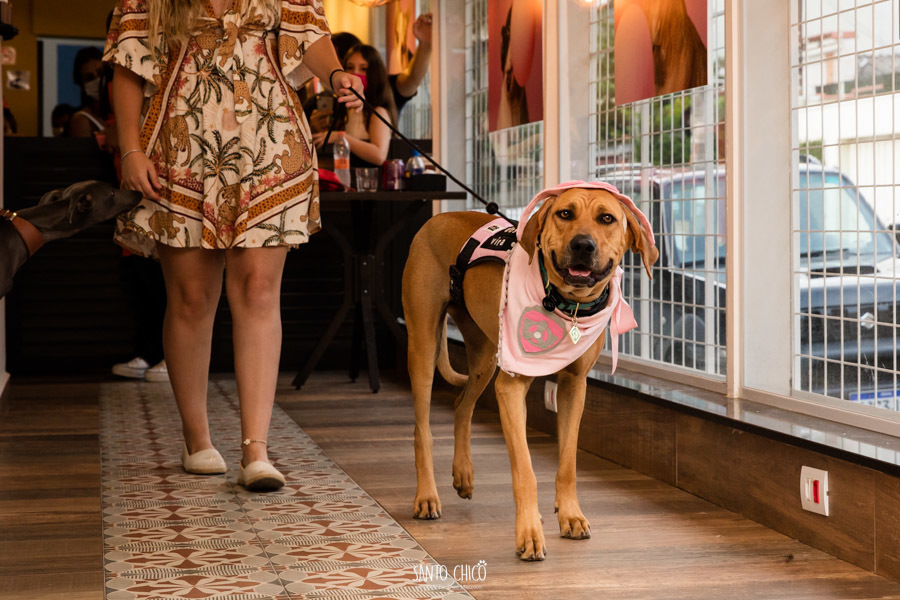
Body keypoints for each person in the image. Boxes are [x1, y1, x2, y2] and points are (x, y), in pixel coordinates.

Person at [104, 0, 363, 491]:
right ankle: (197, 439)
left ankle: (256, 450)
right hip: (180, 144)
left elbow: (310, 35)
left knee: (260, 291)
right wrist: (131, 149)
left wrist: (335, 77)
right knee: (191, 298)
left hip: (270, 142)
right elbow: (129, 63)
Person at [313, 44, 394, 167]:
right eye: (350, 68)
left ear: (374, 73)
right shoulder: (341, 109)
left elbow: (379, 155)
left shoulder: (378, 112)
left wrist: (340, 137)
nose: (355, 73)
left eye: (363, 69)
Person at [69, 46, 109, 138]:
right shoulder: (81, 120)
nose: (97, 80)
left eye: (100, 73)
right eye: (90, 78)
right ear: (83, 87)